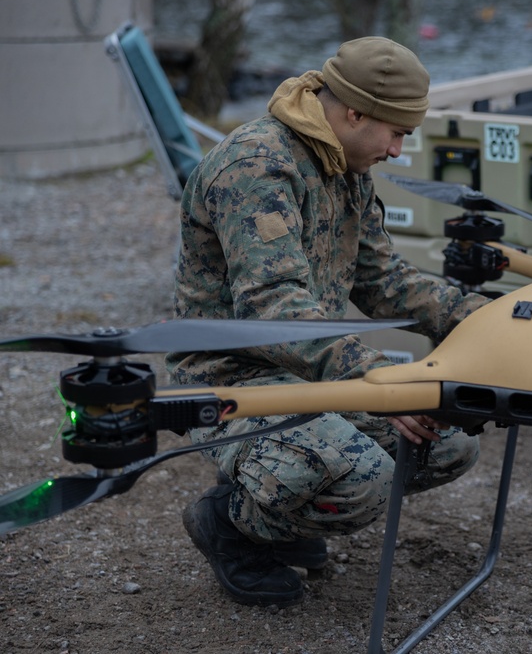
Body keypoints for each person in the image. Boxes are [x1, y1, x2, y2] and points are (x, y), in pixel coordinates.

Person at [165, 36, 490, 608]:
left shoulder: (343, 162)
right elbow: (274, 310)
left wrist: (487, 321)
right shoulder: (256, 168)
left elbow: (383, 279)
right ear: (354, 111)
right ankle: (231, 524)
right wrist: (381, 384)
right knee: (365, 480)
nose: (397, 151)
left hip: (306, 365)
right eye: (397, 132)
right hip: (231, 377)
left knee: (448, 443)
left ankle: (283, 507)